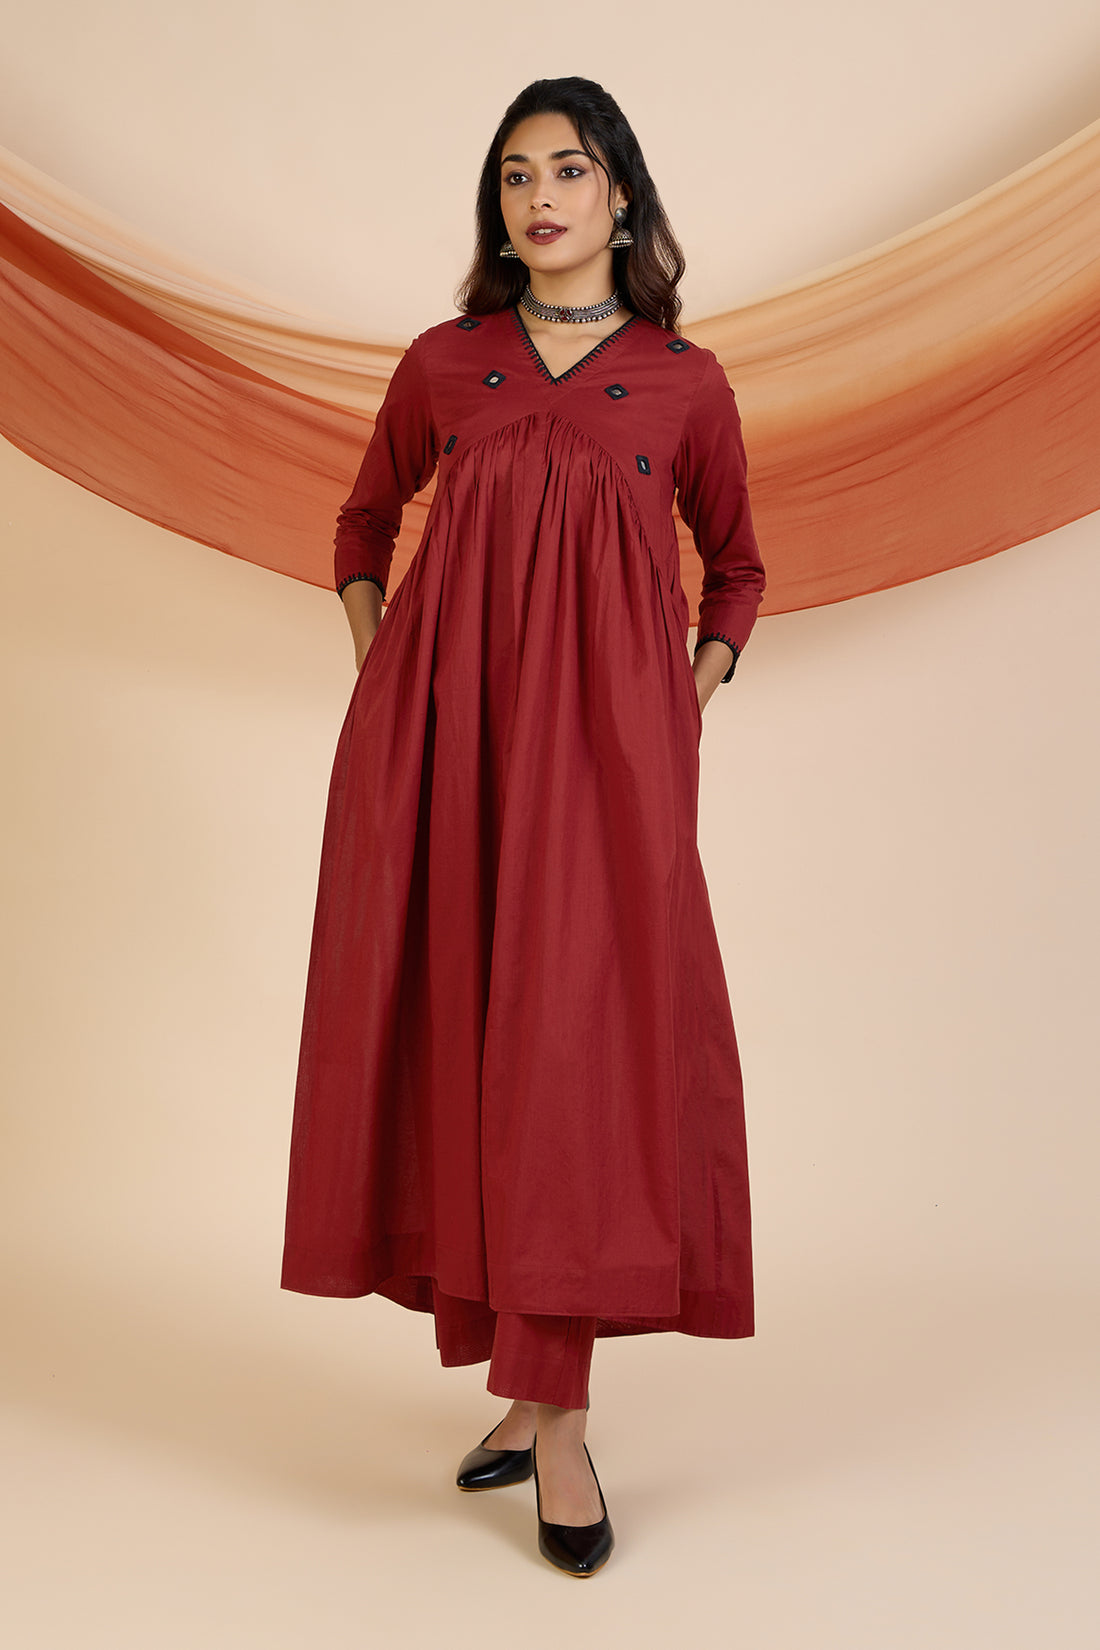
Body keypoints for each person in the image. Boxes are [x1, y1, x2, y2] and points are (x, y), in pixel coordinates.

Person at [281, 75, 767, 1578]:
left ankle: (556, 1422)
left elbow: (739, 569)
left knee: (578, 1060)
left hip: (612, 775)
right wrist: (386, 675)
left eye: (568, 169)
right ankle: (532, 1394)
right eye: (514, 175)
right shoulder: (446, 364)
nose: (540, 197)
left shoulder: (684, 382)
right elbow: (362, 522)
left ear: (621, 195)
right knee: (465, 1045)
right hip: (443, 761)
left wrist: (684, 699)